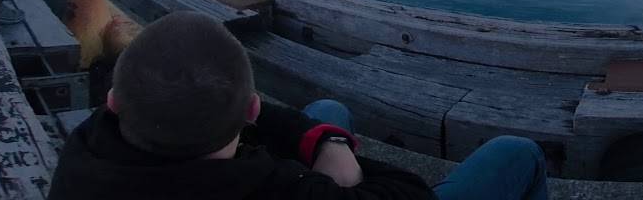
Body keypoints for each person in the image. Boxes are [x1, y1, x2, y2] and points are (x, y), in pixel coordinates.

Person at [48, 11, 549, 200]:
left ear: (114, 102)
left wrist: (324, 139)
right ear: (251, 111)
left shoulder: (86, 151)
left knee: (328, 112)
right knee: (516, 152)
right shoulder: (281, 192)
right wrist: (342, 168)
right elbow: (407, 191)